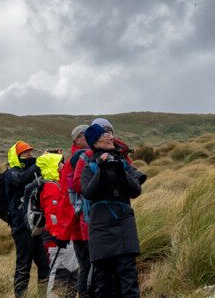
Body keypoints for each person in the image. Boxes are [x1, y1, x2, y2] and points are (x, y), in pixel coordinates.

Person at [71, 119, 137, 295]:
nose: (110, 137)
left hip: (125, 225)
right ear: (95, 142)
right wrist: (101, 169)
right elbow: (87, 192)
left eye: (110, 134)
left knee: (129, 279)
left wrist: (121, 169)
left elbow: (136, 190)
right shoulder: (88, 166)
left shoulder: (122, 162)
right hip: (100, 229)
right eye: (105, 135)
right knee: (104, 282)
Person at [6, 141, 50, 297]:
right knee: (23, 267)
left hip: (36, 226)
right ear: (17, 156)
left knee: (45, 266)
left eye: (30, 152)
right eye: (26, 153)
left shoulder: (34, 170)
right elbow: (23, 179)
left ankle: (43, 295)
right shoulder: (11, 173)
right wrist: (39, 162)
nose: (29, 155)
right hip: (22, 227)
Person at [37, 151, 78, 297]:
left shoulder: (55, 183)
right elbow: (52, 214)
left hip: (64, 235)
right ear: (52, 166)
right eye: (59, 162)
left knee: (71, 272)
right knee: (58, 274)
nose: (62, 165)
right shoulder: (52, 187)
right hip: (57, 238)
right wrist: (57, 234)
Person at [61, 124, 91, 296]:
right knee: (87, 264)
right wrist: (70, 228)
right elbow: (68, 199)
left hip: (85, 224)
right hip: (80, 226)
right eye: (85, 135)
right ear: (76, 140)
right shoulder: (74, 162)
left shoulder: (86, 157)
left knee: (88, 265)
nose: (89, 136)